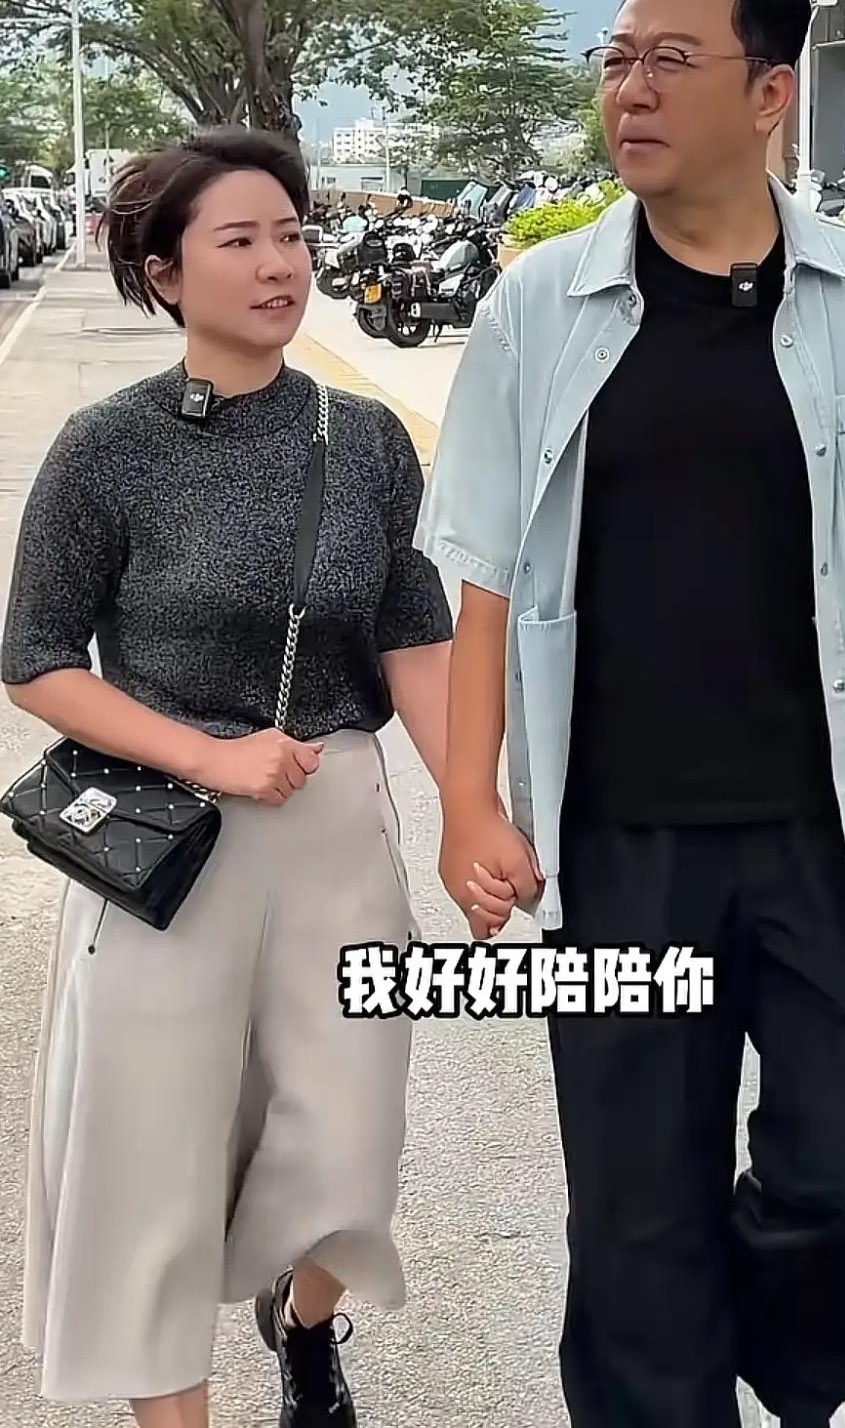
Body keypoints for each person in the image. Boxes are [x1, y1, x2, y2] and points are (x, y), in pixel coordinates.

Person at [414, 0, 845, 1428]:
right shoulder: (537, 307)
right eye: (617, 59)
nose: (631, 90)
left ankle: (777, 1361)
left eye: (672, 60)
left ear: (769, 93)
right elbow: (483, 568)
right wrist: (470, 802)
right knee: (633, 1214)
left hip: (832, 833)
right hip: (620, 846)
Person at [2, 128, 452, 1428]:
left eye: (291, 236)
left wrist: (480, 812)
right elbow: (36, 662)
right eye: (240, 241)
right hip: (166, 845)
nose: (279, 265)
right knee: (150, 1171)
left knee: (349, 1144)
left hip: (335, 832)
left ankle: (304, 1324)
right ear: (164, 274)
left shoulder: (365, 440)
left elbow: (410, 630)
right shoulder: (106, 449)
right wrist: (209, 753)